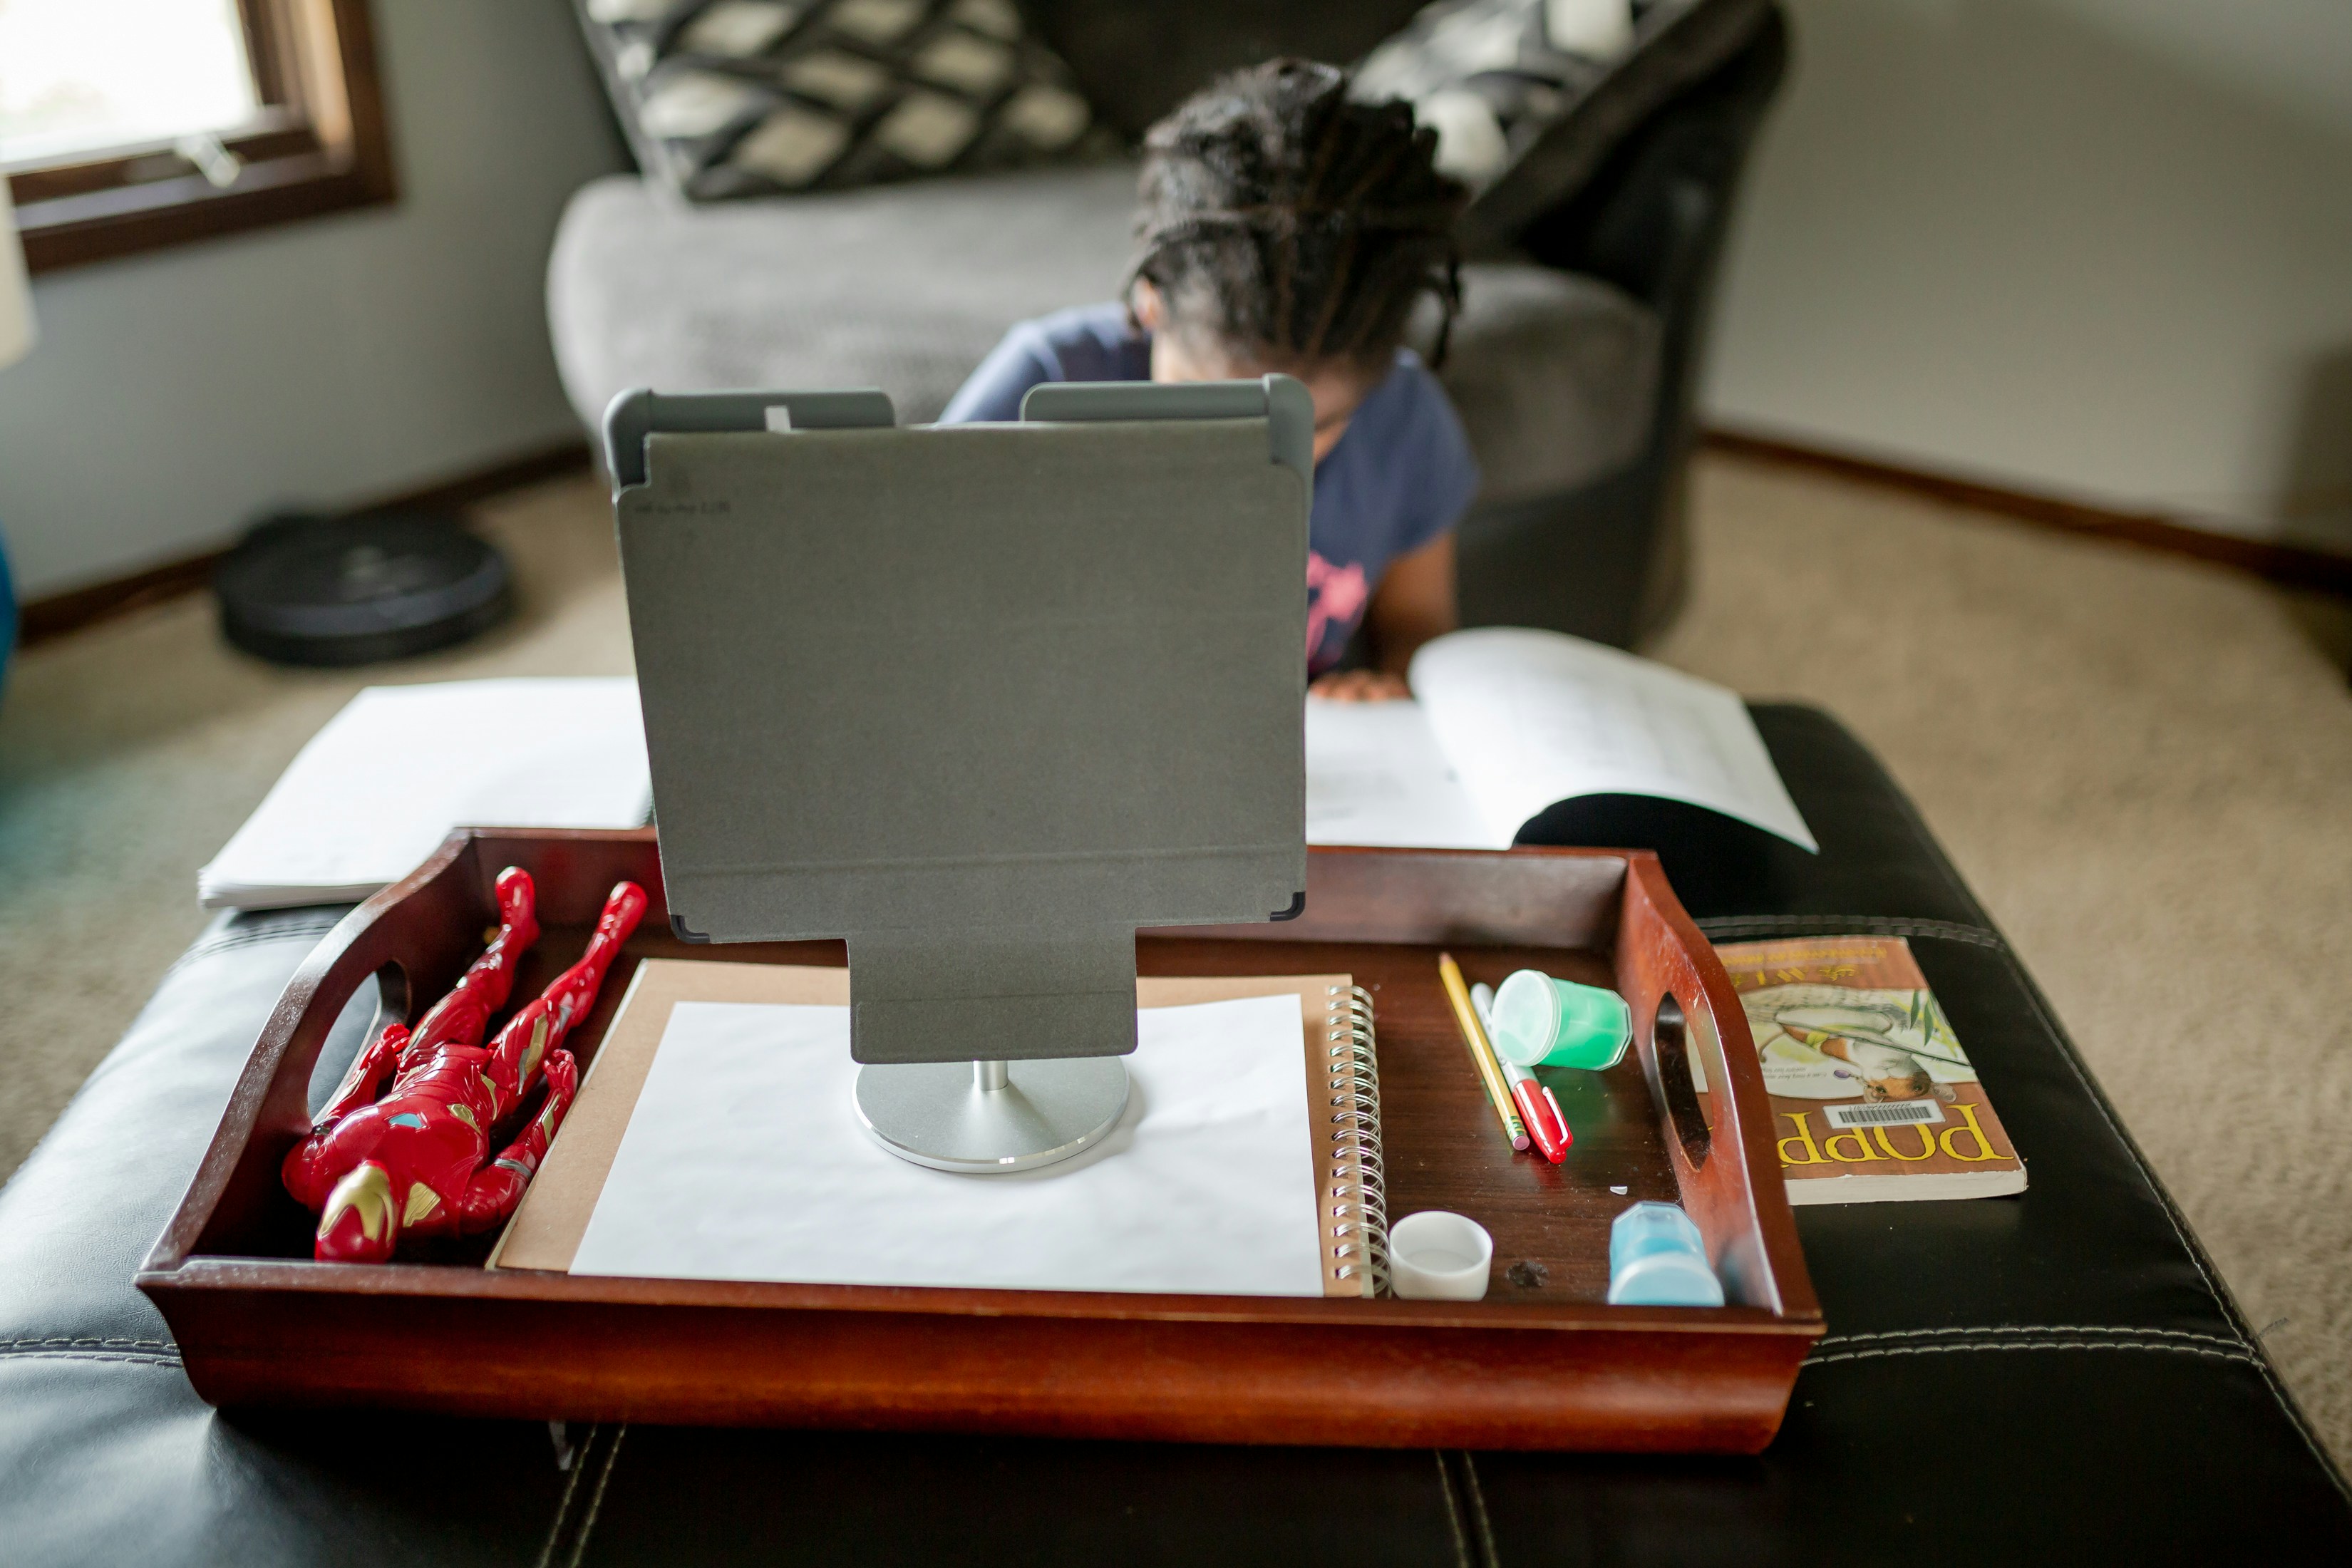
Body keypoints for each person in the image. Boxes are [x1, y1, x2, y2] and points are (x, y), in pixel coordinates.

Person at [939, 59, 1480, 700]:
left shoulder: (1406, 419)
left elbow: (1416, 625)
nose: (1254, 457)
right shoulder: (1045, 381)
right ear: (1149, 304)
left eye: (1310, 427)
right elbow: (919, 596)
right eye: (1216, 410)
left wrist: (1389, 686)